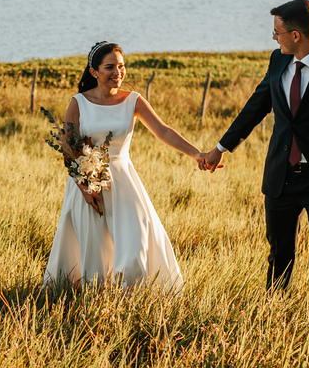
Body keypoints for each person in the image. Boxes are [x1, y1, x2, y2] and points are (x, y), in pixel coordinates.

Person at [201, 0, 309, 291]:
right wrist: (220, 148)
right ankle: (275, 320)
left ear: (296, 35)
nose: (273, 37)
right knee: (279, 258)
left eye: (276, 32)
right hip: (281, 177)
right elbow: (254, 108)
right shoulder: (278, 60)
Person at [44, 41, 206, 290]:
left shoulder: (133, 101)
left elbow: (163, 131)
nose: (117, 72)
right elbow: (68, 147)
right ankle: (93, 295)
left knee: (135, 241)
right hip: (86, 186)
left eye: (121, 66)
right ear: (93, 72)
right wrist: (84, 187)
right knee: (95, 247)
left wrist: (196, 154)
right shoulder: (78, 102)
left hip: (124, 181)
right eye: (110, 67)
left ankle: (132, 295)